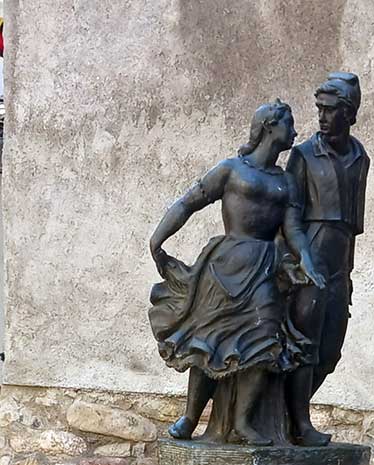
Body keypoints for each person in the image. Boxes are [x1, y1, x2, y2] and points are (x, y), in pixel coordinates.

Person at [148, 99, 325, 445]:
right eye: (289, 124)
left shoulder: (287, 182)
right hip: (225, 263)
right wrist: (158, 238)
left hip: (263, 267)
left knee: (265, 338)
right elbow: (188, 202)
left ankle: (243, 422)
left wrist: (307, 259)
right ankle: (189, 418)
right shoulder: (231, 169)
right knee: (206, 339)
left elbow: (293, 230)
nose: (294, 132)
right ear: (270, 127)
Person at [285, 73, 370, 446]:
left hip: (339, 266)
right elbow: (290, 215)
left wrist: (347, 274)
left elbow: (351, 228)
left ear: (348, 113)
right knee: (304, 345)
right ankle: (300, 424)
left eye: (330, 110)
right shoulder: (303, 155)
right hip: (311, 259)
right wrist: (301, 260)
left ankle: (288, 414)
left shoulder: (360, 159)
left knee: (330, 352)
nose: (321, 116)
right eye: (319, 108)